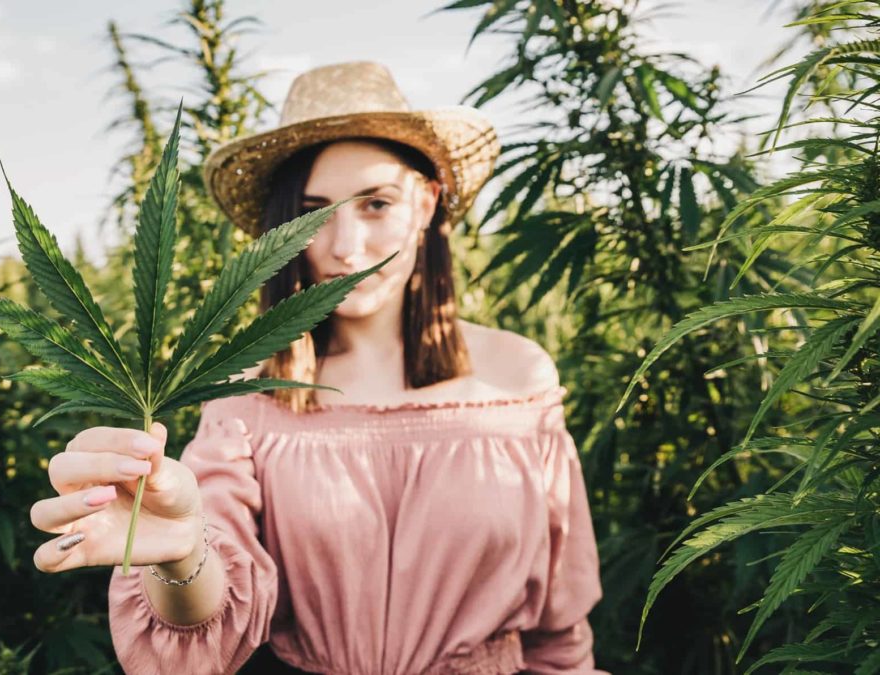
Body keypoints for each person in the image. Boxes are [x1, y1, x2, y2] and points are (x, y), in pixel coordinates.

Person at [29, 62, 606, 675]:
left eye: (377, 204)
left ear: (427, 204)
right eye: (314, 213)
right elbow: (206, 614)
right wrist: (181, 553)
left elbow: (561, 628)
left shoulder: (517, 379)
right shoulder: (247, 400)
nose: (345, 247)